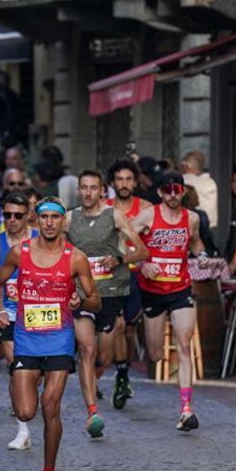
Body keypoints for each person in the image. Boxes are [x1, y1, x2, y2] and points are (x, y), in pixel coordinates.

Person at [0, 196, 100, 471]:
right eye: (44, 217)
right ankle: (23, 386)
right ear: (35, 220)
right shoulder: (19, 253)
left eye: (56, 217)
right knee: (26, 411)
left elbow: (96, 300)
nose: (50, 223)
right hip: (27, 336)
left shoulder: (75, 257)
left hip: (59, 337)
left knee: (50, 406)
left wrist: (81, 300)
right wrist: (0, 311)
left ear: (63, 220)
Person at [64, 171, 148, 437]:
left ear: (102, 191)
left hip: (111, 294)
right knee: (87, 349)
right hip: (82, 294)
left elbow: (142, 250)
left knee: (104, 356)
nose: (88, 193)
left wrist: (120, 258)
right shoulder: (69, 219)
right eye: (84, 188)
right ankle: (92, 413)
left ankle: (107, 377)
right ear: (79, 190)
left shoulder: (114, 216)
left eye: (93, 188)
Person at [130, 171, 207, 431]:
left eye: (177, 189)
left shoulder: (192, 218)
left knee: (184, 345)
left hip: (180, 288)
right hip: (152, 290)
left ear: (183, 191)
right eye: (168, 190)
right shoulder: (149, 215)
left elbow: (196, 243)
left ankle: (186, 409)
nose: (173, 195)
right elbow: (123, 240)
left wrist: (203, 255)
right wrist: (141, 263)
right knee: (155, 354)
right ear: (160, 193)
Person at [0, 191, 37, 449]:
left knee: (37, 372)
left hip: (40, 313)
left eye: (18, 215)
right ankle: (22, 431)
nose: (12, 220)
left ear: (28, 216)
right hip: (10, 313)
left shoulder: (42, 239)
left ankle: (29, 406)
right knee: (18, 367)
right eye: (8, 215)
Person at [106, 159, 147, 408]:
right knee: (119, 325)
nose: (124, 184)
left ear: (135, 182)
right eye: (119, 179)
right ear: (112, 183)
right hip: (113, 276)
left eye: (128, 179)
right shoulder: (105, 208)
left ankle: (125, 372)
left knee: (130, 330)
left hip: (137, 275)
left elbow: (153, 241)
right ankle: (121, 376)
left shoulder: (146, 208)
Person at [179, 151, 218, 222]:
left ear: (188, 165)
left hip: (192, 225)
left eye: (182, 163)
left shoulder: (185, 180)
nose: (181, 166)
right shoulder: (211, 182)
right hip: (210, 226)